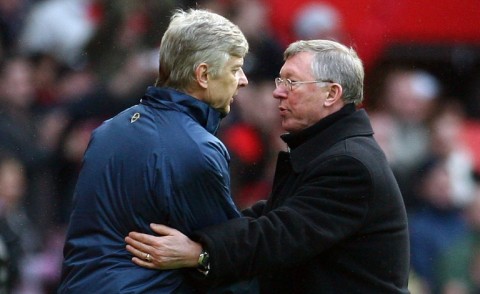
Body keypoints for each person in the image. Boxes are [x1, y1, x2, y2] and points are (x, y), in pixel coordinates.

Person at [125, 39, 411, 293]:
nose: (278, 93)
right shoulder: (333, 150)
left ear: (331, 94)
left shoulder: (348, 164)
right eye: (280, 81)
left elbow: (279, 235)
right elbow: (271, 217)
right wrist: (195, 233)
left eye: (292, 83)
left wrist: (200, 252)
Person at [58, 8, 249, 293]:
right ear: (204, 75)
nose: (243, 79)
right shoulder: (199, 149)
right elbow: (227, 259)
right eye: (235, 69)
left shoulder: (107, 131)